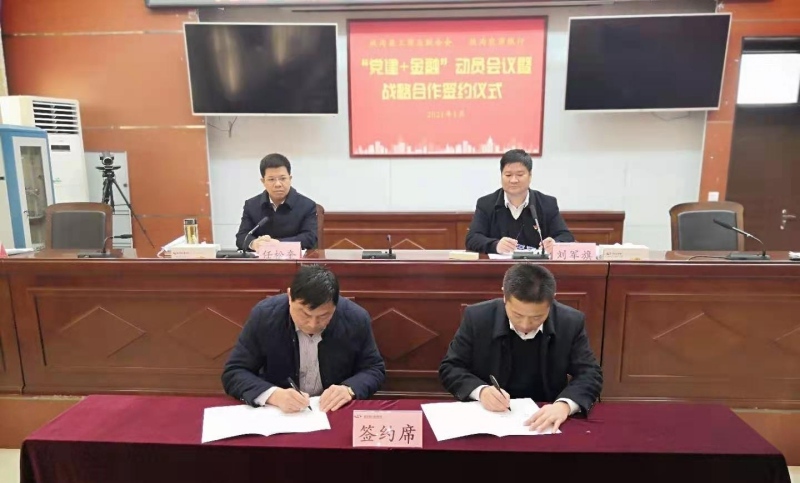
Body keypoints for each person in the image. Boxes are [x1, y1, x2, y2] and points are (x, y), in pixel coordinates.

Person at [439, 263, 602, 432]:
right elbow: (451, 367)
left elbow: (590, 373)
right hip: (489, 414)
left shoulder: (570, 322)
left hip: (546, 414)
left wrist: (564, 405)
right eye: (517, 315)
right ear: (504, 296)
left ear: (552, 300)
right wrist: (481, 391)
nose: (525, 325)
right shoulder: (478, 318)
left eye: (537, 317)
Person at [222, 265, 386, 412]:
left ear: (336, 305)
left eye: (323, 316)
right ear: (289, 296)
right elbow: (235, 372)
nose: (313, 324)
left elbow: (374, 369)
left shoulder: (355, 318)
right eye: (305, 314)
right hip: (281, 412)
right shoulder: (264, 316)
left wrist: (349, 389)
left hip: (334, 411)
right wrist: (274, 395)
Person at [465, 149, 574, 255]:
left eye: (520, 175)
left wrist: (555, 244)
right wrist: (495, 245)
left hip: (537, 266)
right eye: (508, 175)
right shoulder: (486, 204)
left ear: (530, 176)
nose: (513, 180)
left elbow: (566, 236)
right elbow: (472, 239)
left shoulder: (547, 203)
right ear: (501, 175)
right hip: (498, 266)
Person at [235, 153, 318, 251]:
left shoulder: (307, 205)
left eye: (283, 178)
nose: (278, 184)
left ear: (290, 179)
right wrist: (254, 243)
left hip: (295, 259)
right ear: (263, 181)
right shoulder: (251, 205)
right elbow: (242, 236)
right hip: (262, 259)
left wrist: (278, 244)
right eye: (271, 179)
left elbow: (309, 238)